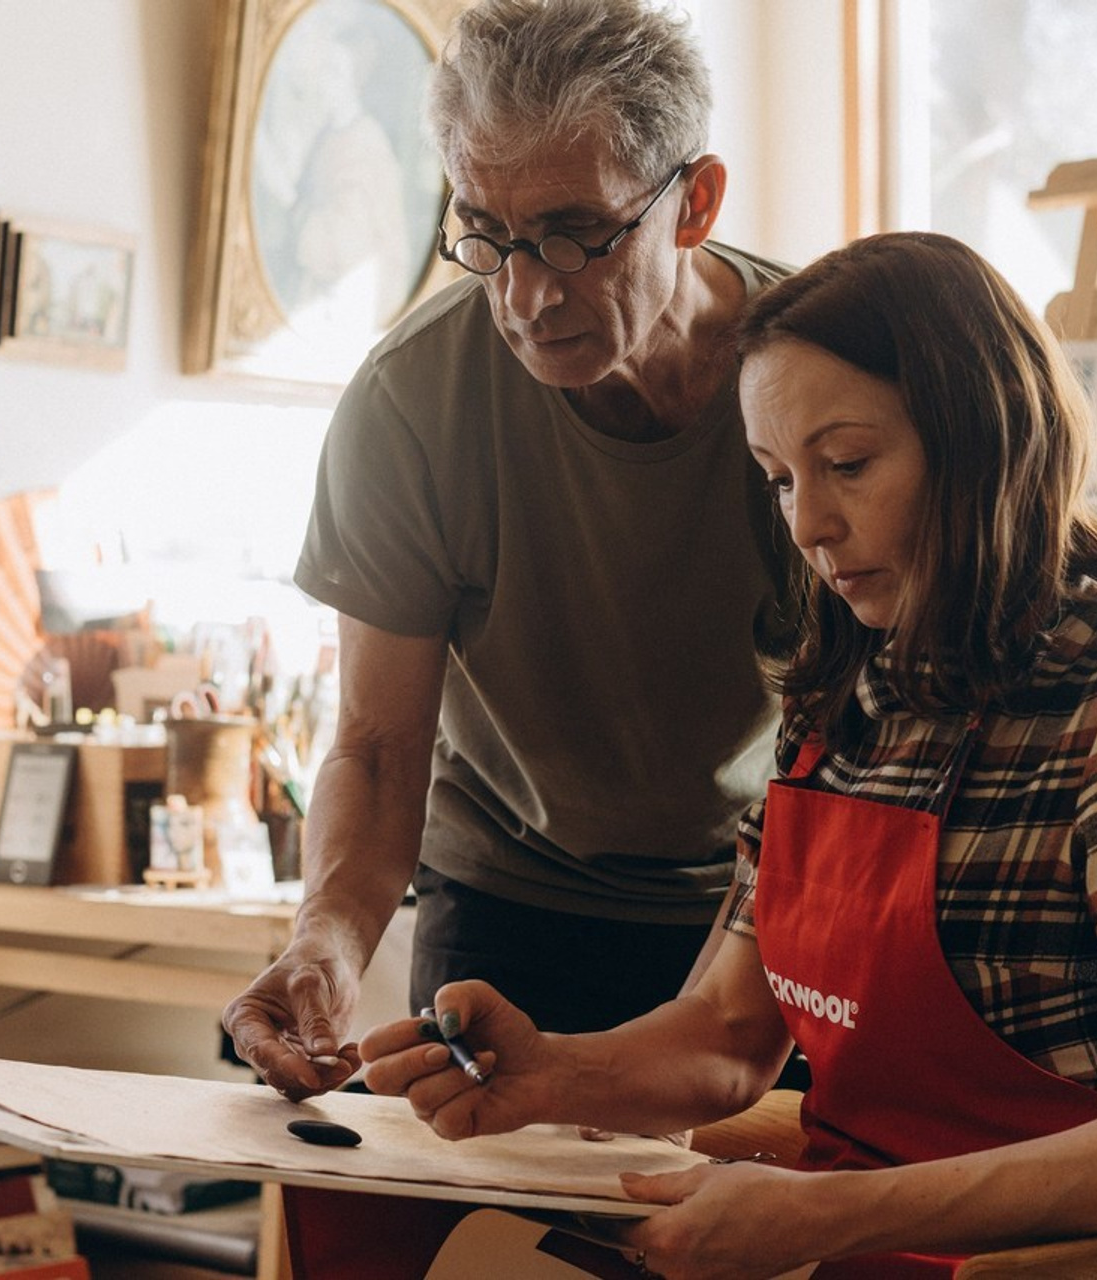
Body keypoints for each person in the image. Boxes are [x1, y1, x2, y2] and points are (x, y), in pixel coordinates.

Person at [359, 231, 1097, 1278]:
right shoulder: (837, 693)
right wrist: (546, 1070)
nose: (810, 525)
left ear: (983, 437)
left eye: (847, 464)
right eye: (777, 479)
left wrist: (826, 1214)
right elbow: (731, 1033)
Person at [223, 0, 797, 1101]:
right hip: (509, 897)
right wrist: (325, 944)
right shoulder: (409, 404)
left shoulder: (814, 382)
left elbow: (856, 751)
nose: (525, 295)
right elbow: (381, 746)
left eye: (574, 234)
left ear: (695, 201)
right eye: (482, 231)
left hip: (760, 896)